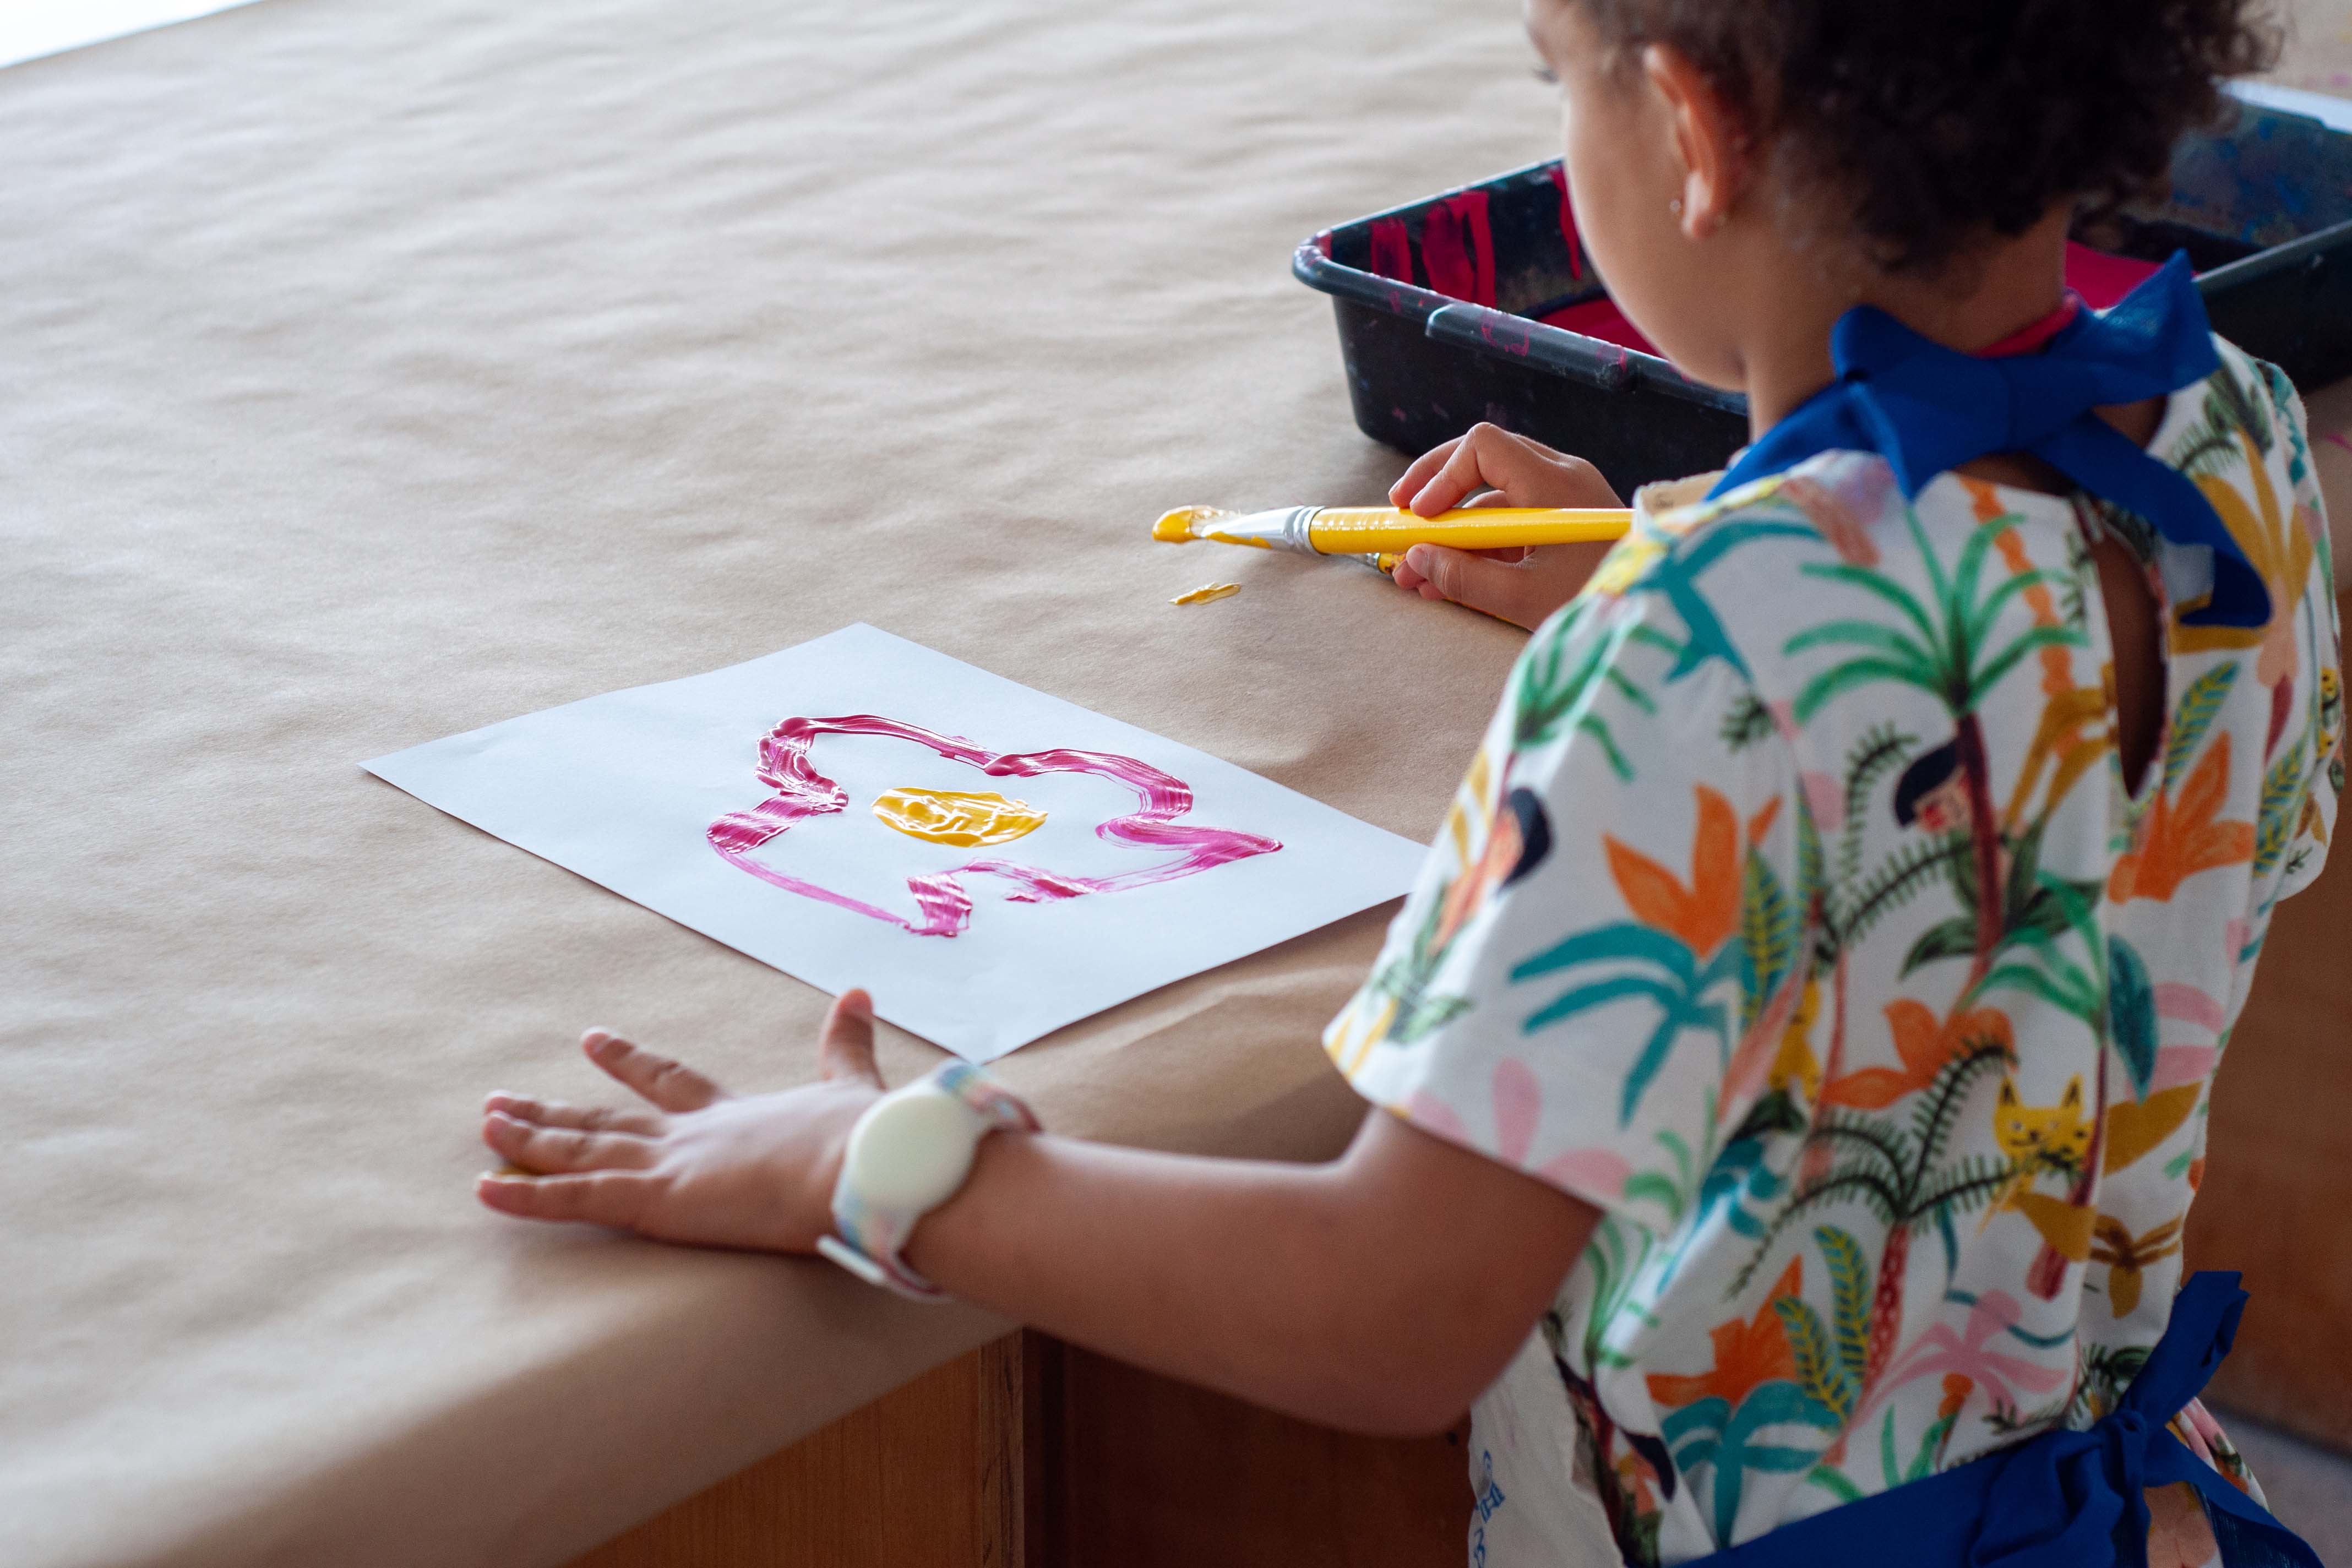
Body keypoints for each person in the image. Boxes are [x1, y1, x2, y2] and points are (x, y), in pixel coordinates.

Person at [472, 1, 2344, 1562]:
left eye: (1556, 75)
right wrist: (1669, 564)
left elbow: (1386, 1309)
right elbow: (2038, 809)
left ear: (1693, 128)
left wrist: (874, 1169)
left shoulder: (1697, 657)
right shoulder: (2230, 448)